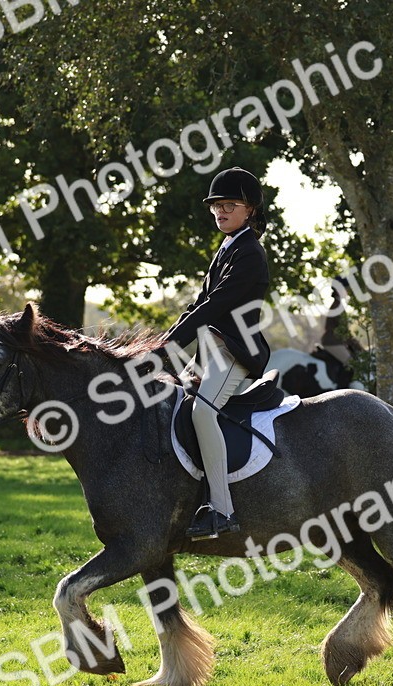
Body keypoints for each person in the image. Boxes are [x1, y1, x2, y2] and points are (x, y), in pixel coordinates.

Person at [161, 167, 271, 541]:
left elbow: (214, 307)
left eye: (229, 205)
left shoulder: (249, 253)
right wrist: (160, 344)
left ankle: (222, 511)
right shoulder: (227, 248)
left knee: (202, 411)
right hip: (210, 350)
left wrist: (168, 348)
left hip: (234, 353)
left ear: (250, 209)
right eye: (216, 206)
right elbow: (197, 305)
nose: (220, 212)